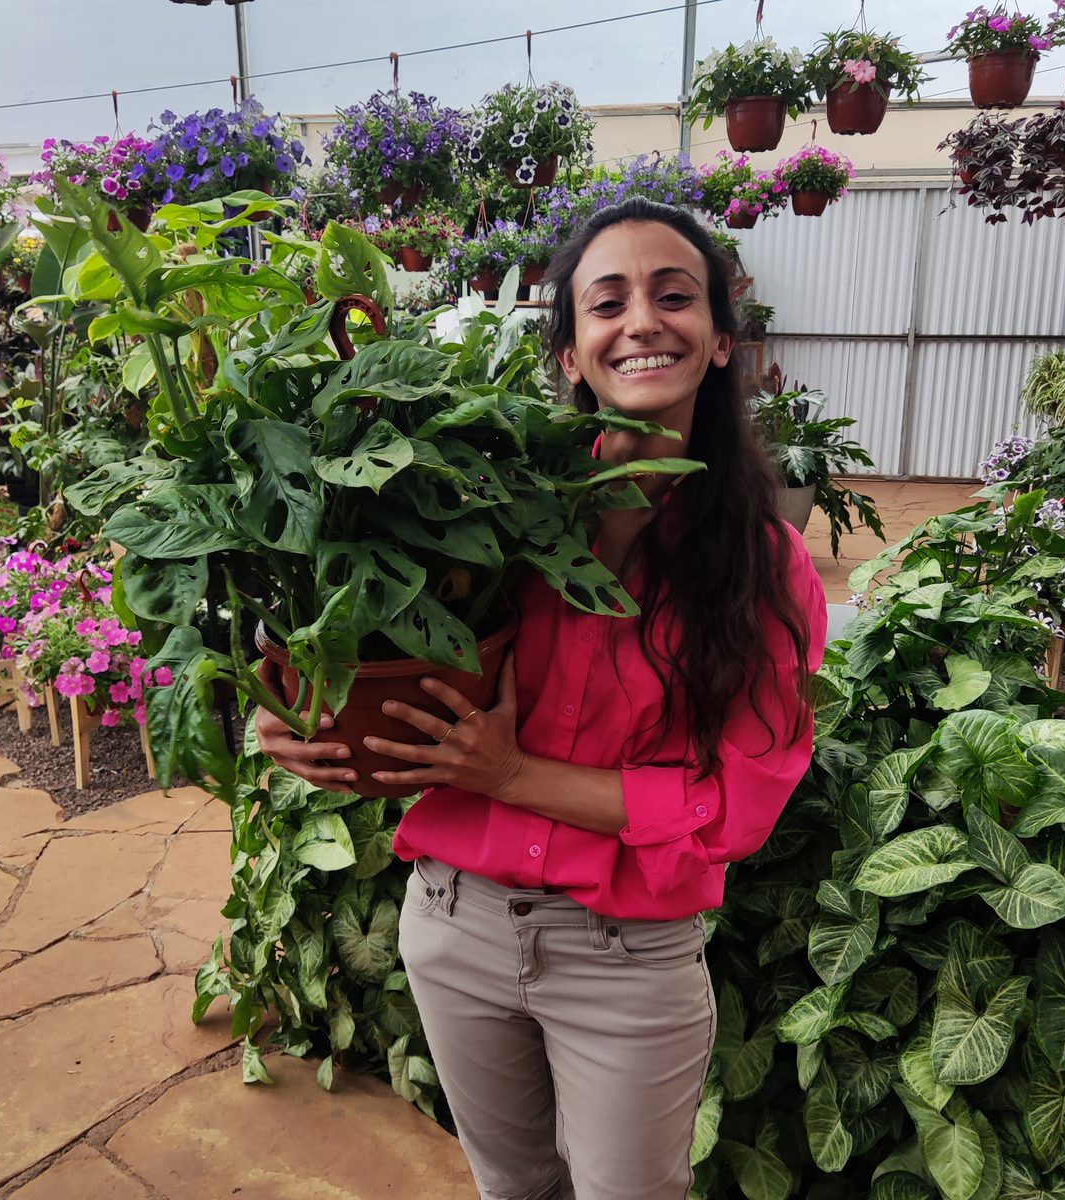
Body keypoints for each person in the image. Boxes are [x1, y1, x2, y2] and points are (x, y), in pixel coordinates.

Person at [257, 196, 827, 1200]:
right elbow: (395, 680)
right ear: (570, 354)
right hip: (454, 924)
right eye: (607, 303)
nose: (642, 321)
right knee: (512, 1190)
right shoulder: (474, 517)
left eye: (675, 296)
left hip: (628, 958)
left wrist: (513, 775)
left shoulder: (766, 566)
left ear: (723, 339)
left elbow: (733, 805)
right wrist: (302, 719)